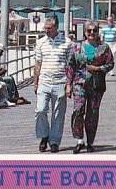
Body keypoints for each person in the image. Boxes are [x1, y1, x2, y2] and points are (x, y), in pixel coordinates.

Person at [66, 21, 114, 154]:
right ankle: (79, 140)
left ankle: (90, 142)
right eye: (89, 31)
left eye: (94, 30)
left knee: (92, 114)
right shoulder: (77, 47)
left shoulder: (104, 47)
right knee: (78, 110)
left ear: (98, 32)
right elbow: (70, 66)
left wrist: (99, 68)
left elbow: (110, 64)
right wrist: (68, 85)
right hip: (79, 83)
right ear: (85, 32)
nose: (92, 33)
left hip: (96, 85)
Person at [33, 18, 73, 153]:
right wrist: (35, 82)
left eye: (49, 28)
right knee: (40, 110)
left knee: (58, 114)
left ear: (56, 27)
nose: (46, 31)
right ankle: (44, 135)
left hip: (60, 81)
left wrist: (69, 84)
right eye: (45, 28)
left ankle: (55, 141)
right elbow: (38, 63)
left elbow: (70, 66)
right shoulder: (40, 43)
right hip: (44, 80)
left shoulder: (67, 43)